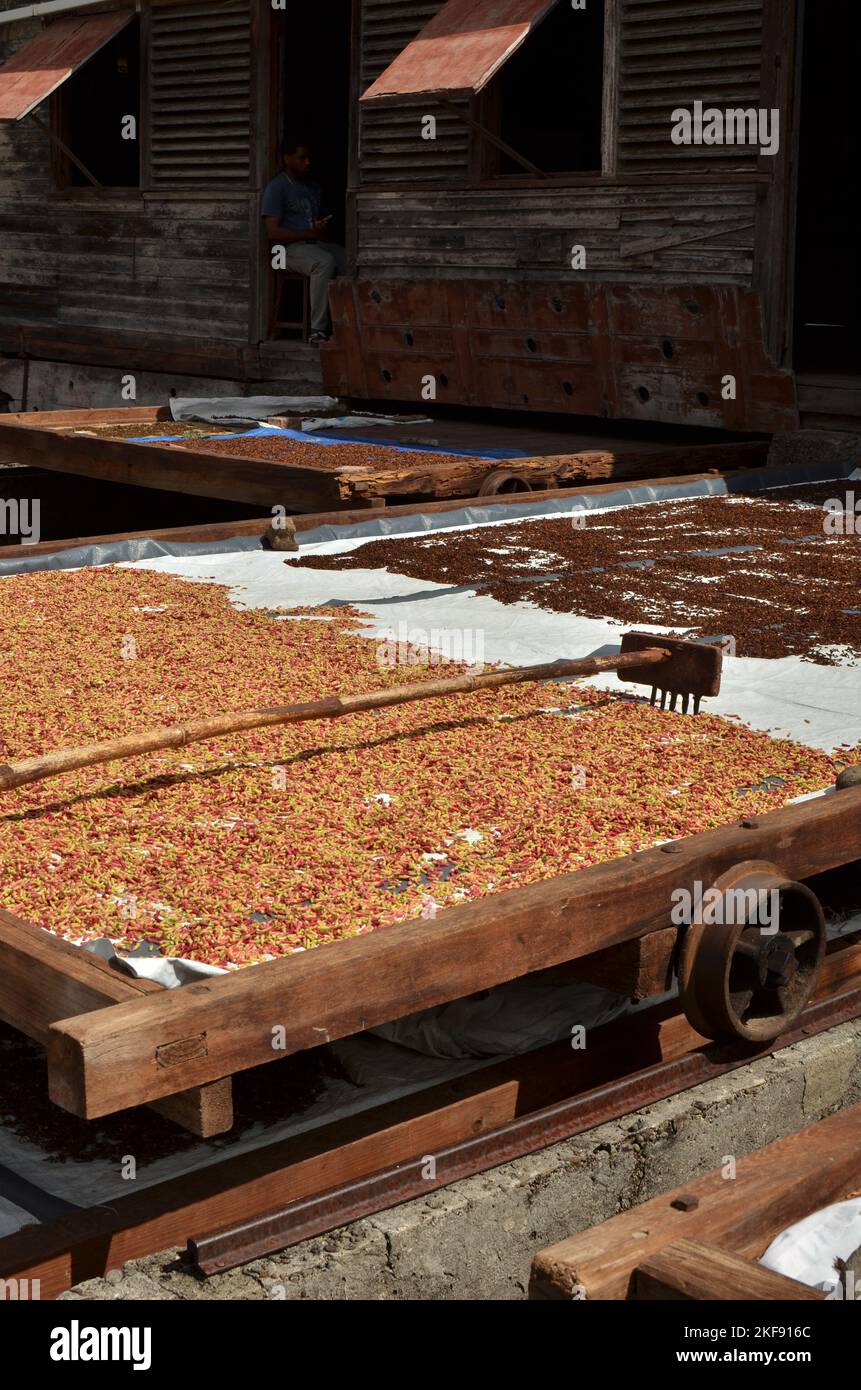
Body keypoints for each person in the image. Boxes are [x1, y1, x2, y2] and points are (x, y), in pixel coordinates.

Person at [261, 139, 346, 345]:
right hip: (284, 251)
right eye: (302, 158)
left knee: (347, 258)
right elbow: (272, 232)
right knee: (324, 262)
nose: (308, 162)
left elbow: (319, 228)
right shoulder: (277, 188)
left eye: (309, 158)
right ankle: (318, 331)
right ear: (287, 159)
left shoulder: (313, 187)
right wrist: (308, 233)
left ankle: (346, 326)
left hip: (311, 244)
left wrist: (319, 227)